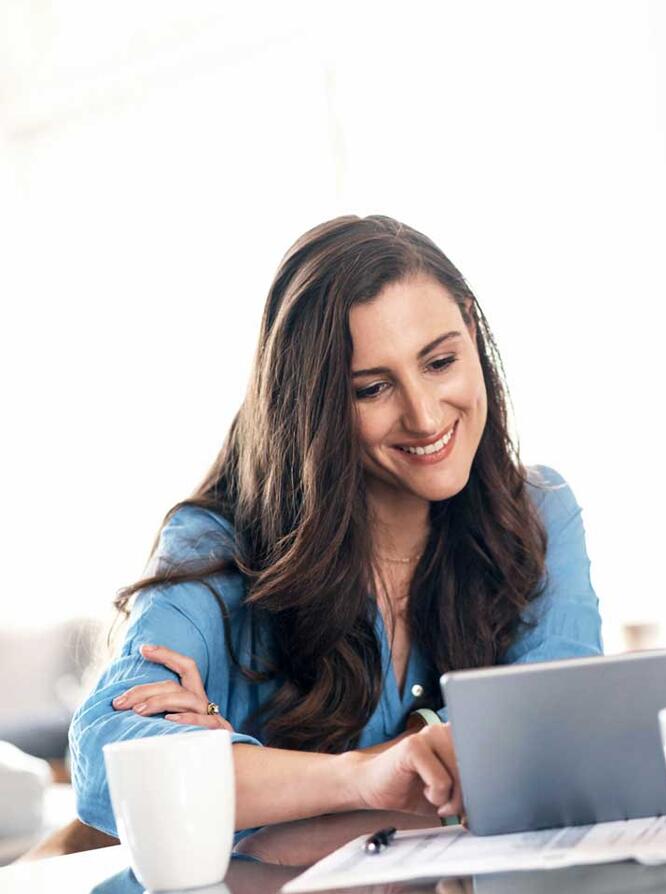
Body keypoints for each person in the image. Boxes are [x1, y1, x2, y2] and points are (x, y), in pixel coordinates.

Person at [69, 215, 603, 837]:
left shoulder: (538, 512)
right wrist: (363, 777)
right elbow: (111, 767)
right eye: (373, 388)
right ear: (314, 408)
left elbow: (557, 745)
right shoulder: (218, 542)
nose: (425, 415)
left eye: (440, 362)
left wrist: (251, 776)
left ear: (471, 330)